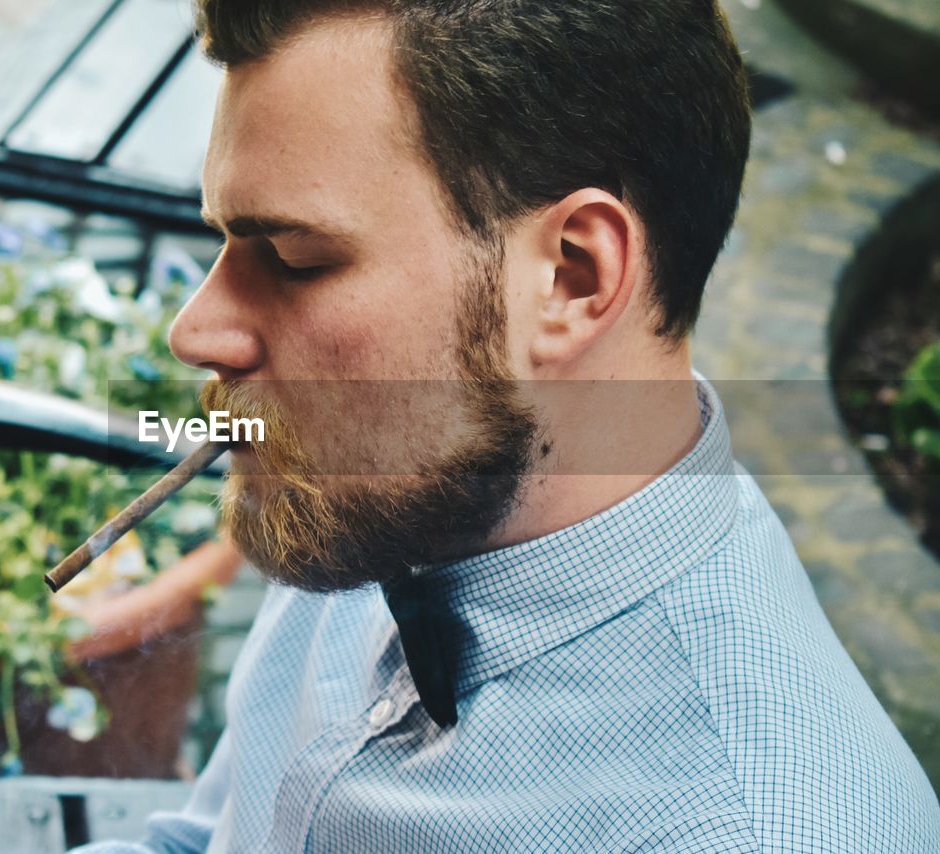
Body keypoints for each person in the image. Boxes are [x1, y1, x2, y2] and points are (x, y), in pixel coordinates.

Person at [77, 0, 940, 850]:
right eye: (227, 242)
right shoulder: (385, 472)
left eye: (297, 261)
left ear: (570, 278)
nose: (195, 333)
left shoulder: (756, 827)